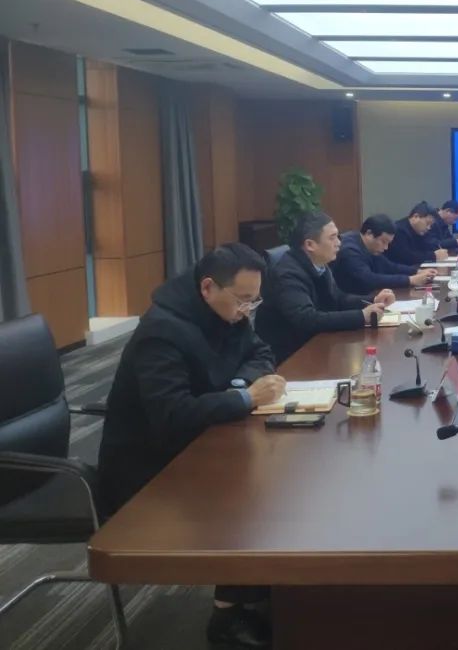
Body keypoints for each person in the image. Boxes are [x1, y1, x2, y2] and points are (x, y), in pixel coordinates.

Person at [98, 243, 286, 649]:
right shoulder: (161, 331)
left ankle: (259, 590)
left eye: (254, 301)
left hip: (198, 439)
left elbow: (260, 351)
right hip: (149, 468)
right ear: (207, 287)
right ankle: (228, 617)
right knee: (252, 496)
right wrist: (244, 398)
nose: (247, 311)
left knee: (274, 476)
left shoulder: (227, 313)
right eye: (243, 300)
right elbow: (172, 414)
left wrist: (239, 387)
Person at [255, 211, 392, 363]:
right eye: (332, 238)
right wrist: (361, 316)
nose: (339, 243)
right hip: (291, 355)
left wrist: (372, 300)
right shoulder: (288, 274)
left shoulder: (319, 264)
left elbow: (338, 298)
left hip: (315, 343)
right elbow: (306, 319)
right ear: (310, 245)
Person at [333, 214, 438, 295]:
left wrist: (417, 271)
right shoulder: (350, 250)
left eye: (388, 243)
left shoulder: (367, 245)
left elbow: (389, 266)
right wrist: (410, 280)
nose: (386, 247)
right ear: (369, 233)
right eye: (383, 242)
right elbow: (369, 279)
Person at [386, 201, 449, 267]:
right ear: (416, 217)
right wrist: (433, 255)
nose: (428, 228)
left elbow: (428, 246)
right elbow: (407, 257)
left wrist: (438, 252)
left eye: (431, 225)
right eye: (427, 223)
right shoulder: (399, 230)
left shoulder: (420, 231)